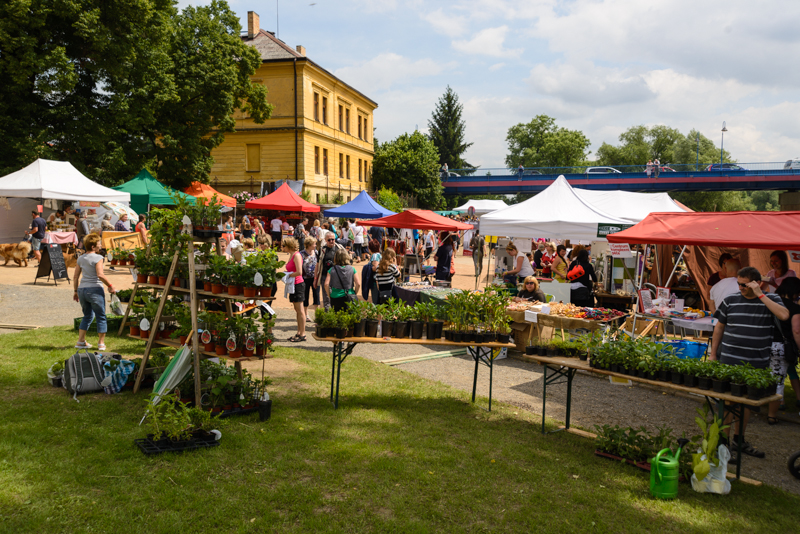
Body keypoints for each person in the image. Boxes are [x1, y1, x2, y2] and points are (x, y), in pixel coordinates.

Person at [710, 266, 789, 459]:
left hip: (756, 363)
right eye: (739, 284)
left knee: (746, 403)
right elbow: (719, 327)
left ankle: (739, 439)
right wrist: (713, 354)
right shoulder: (731, 300)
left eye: (744, 285)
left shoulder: (771, 299)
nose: (740, 288)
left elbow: (784, 315)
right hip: (729, 360)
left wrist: (761, 295)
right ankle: (723, 442)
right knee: (728, 402)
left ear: (755, 283)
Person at [72, 233, 115, 351]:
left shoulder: (80, 258)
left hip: (82, 290)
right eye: (98, 244)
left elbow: (75, 277)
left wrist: (75, 291)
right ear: (93, 247)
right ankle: (101, 343)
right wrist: (110, 286)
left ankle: (80, 341)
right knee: (101, 316)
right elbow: (100, 275)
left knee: (87, 316)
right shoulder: (98, 258)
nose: (100, 245)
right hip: (95, 289)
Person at [768, 277, 800, 424]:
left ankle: (759, 405)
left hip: (765, 345)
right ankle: (772, 415)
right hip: (781, 347)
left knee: (765, 377)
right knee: (778, 381)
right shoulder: (795, 309)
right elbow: (797, 331)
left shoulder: (770, 303)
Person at [282, 237, 306, 343]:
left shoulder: (296, 255)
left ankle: (303, 333)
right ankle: (299, 332)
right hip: (293, 284)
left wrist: (287, 275)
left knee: (300, 310)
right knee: (297, 310)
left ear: (289, 246)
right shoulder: (292, 255)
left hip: (298, 284)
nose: (282, 248)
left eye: (284, 246)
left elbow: (299, 272)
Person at [314, 232, 344, 310]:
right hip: (325, 276)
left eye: (333, 239)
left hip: (337, 277)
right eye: (329, 240)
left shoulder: (340, 248)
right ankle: (328, 316)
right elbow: (318, 264)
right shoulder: (322, 250)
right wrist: (315, 279)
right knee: (326, 298)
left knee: (337, 296)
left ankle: (336, 314)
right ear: (325, 240)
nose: (331, 241)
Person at [300, 236, 320, 322]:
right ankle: (306, 315)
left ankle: (317, 315)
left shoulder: (316, 252)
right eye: (314, 244)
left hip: (315, 278)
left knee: (316, 295)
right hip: (305, 278)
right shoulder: (301, 254)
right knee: (305, 296)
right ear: (308, 245)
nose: (315, 245)